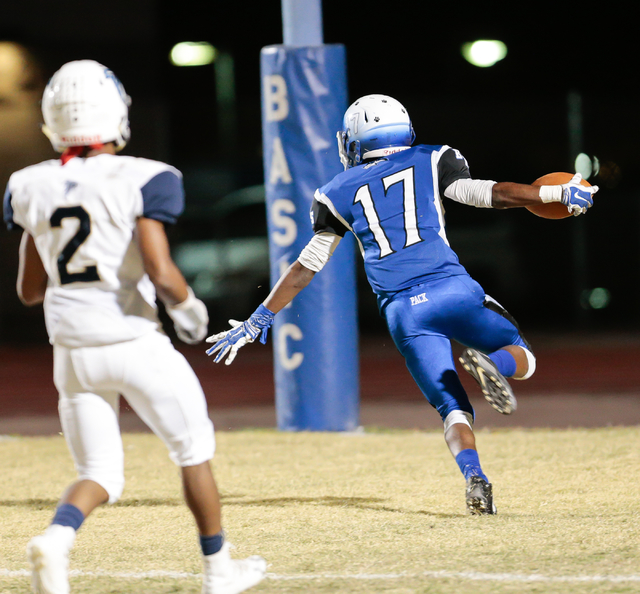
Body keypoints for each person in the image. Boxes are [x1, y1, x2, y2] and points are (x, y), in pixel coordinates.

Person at [206, 94, 598, 515]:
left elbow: (307, 265)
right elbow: (491, 194)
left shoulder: (336, 191)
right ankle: (494, 365)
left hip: (403, 312)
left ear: (355, 141)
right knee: (524, 355)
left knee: (451, 408)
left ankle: (475, 477)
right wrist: (555, 192)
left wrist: (258, 318)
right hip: (451, 289)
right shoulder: (431, 159)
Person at [3, 60, 266, 594]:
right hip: (131, 339)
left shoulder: (28, 185)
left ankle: (56, 539)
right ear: (115, 112)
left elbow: (30, 290)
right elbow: (159, 267)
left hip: (70, 352)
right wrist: (189, 308)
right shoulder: (144, 175)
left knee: (100, 471)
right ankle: (219, 573)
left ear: (54, 121)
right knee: (193, 449)